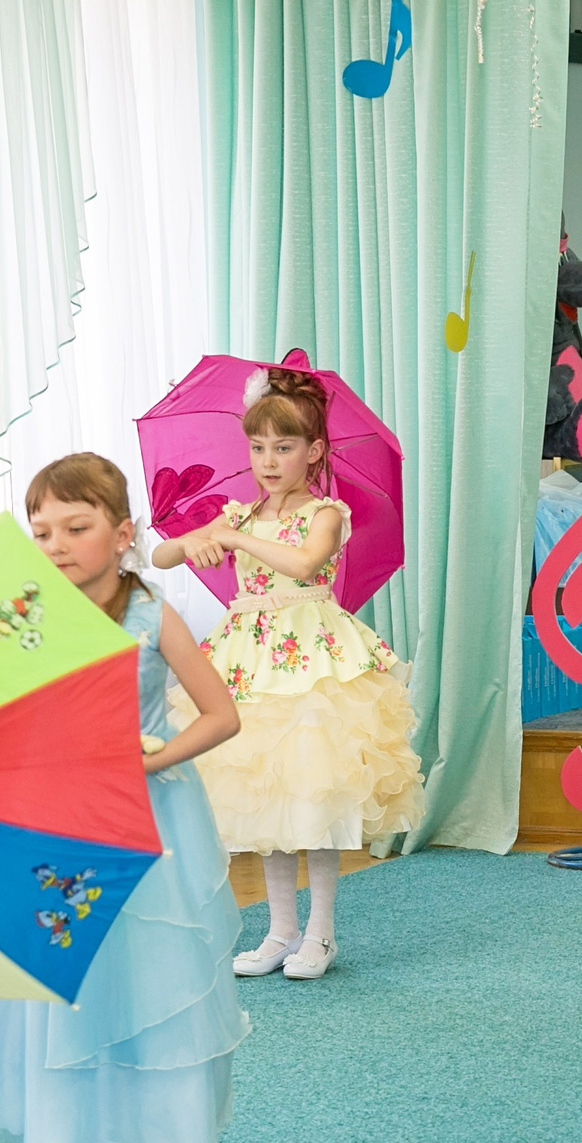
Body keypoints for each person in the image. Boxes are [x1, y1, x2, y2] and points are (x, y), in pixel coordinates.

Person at [0, 454, 249, 1143]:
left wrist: (155, 753)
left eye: (76, 526)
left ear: (123, 534)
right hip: (59, 821)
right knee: (76, 983)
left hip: (150, 822)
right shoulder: (24, 616)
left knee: (154, 981)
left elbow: (222, 715)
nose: (55, 543)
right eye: (42, 529)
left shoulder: (153, 617)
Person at [153, 368, 426, 981]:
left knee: (311, 788)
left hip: (310, 655)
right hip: (247, 658)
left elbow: (305, 563)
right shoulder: (237, 514)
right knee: (266, 796)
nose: (269, 461)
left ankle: (321, 933)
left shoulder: (325, 512)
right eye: (257, 448)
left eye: (284, 447)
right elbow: (161, 554)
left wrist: (236, 541)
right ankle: (280, 930)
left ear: (314, 451)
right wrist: (202, 538)